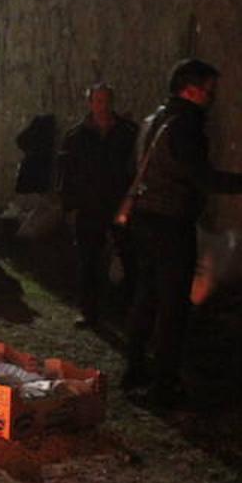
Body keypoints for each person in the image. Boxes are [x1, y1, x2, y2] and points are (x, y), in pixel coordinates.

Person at [123, 59, 242, 406]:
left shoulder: (155, 121)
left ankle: (135, 367)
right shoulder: (185, 127)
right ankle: (163, 385)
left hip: (145, 218)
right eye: (210, 91)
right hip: (170, 223)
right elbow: (205, 178)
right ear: (191, 89)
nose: (213, 98)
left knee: (146, 294)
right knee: (172, 305)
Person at [58, 83, 138, 328]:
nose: (102, 106)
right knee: (88, 260)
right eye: (97, 101)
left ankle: (126, 309)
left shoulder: (127, 133)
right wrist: (69, 206)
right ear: (90, 103)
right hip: (89, 205)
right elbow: (67, 173)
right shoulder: (76, 136)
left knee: (129, 258)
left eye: (106, 100)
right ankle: (89, 311)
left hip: (119, 203)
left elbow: (136, 168)